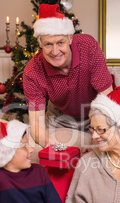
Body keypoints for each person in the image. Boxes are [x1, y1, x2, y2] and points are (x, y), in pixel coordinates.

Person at [23, 4, 113, 148]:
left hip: (95, 109)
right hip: (60, 116)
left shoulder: (88, 46)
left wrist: (101, 132)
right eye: (48, 44)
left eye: (60, 42)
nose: (55, 51)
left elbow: (108, 99)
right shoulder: (32, 72)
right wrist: (51, 148)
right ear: (40, 44)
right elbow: (36, 125)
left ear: (70, 39)